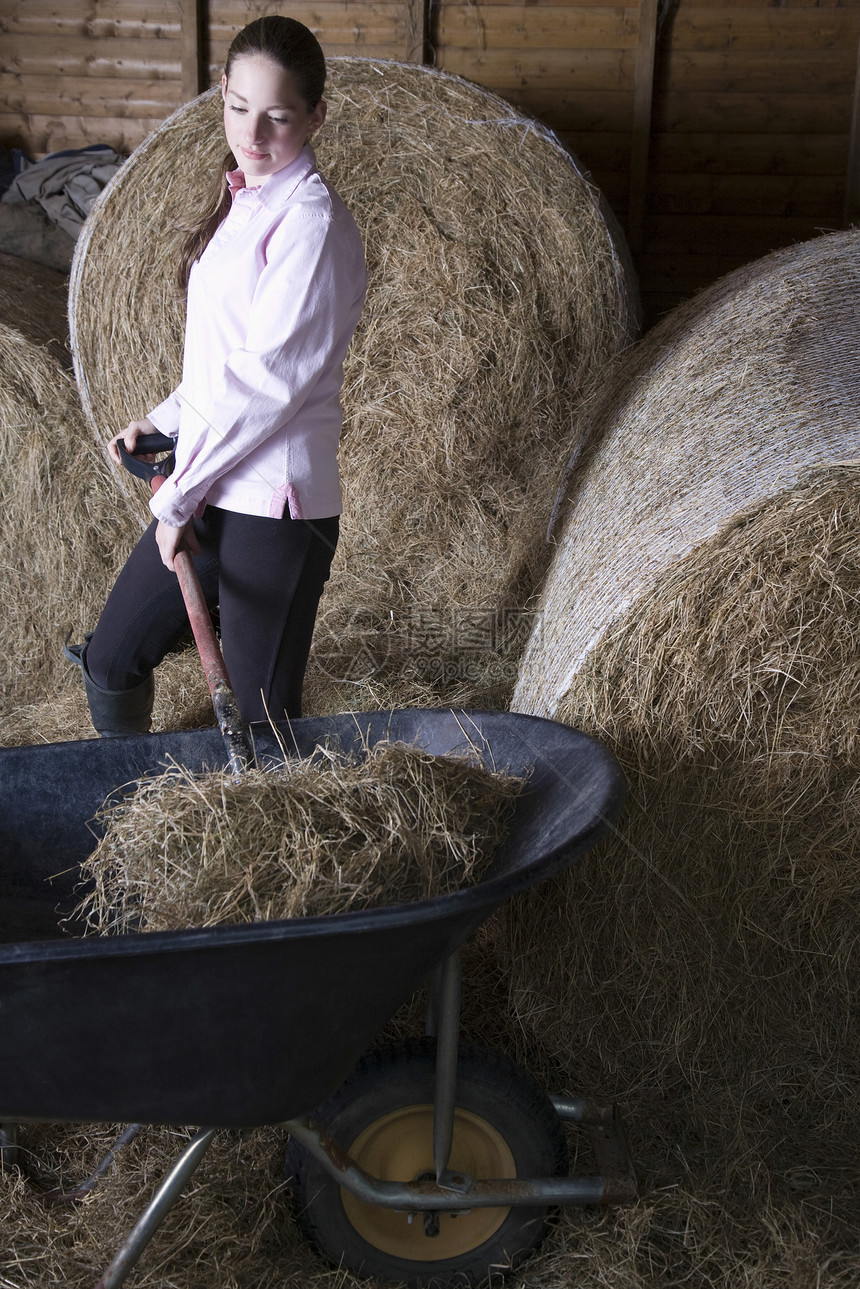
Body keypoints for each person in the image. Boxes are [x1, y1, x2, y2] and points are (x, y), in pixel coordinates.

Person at [66, 15, 367, 737]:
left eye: (278, 117)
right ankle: (125, 800)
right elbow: (225, 359)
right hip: (207, 482)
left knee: (262, 725)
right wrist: (167, 419)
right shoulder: (246, 201)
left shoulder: (311, 224)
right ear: (221, 94)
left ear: (316, 116)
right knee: (111, 658)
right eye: (238, 109)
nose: (253, 135)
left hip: (274, 505)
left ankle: (262, 840)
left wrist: (176, 505)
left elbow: (267, 384)